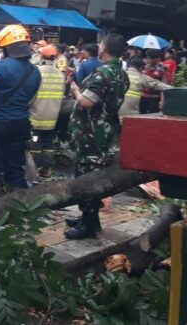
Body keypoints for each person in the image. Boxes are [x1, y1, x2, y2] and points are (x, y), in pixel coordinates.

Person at [65, 34, 128, 239]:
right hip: (104, 130)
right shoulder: (120, 72)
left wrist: (75, 89)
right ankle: (88, 218)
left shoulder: (103, 73)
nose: (99, 46)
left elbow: (87, 102)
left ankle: (89, 225)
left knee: (88, 177)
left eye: (101, 44)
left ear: (105, 48)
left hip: (92, 133)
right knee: (93, 174)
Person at [0, 24, 41, 200]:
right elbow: (31, 97)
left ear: (6, 48)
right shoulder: (35, 71)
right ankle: (16, 210)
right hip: (21, 125)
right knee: (16, 169)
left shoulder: (0, 67)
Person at [30, 45, 65, 177]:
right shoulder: (60, 75)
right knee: (48, 143)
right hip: (52, 117)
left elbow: (31, 96)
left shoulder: (36, 72)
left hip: (36, 117)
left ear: (41, 56)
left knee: (35, 142)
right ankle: (47, 170)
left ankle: (35, 171)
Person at [140, 49, 167, 114]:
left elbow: (164, 86)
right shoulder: (145, 67)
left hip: (155, 98)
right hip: (143, 97)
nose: (150, 60)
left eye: (152, 59)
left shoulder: (162, 69)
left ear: (158, 58)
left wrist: (162, 100)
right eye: (148, 58)